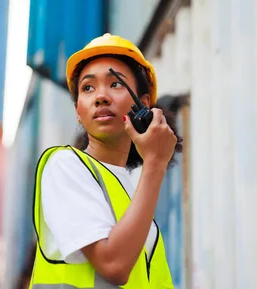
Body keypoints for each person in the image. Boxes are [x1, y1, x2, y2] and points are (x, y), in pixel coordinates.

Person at [28, 33, 183, 288]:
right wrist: (155, 163)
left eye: (115, 84)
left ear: (142, 105)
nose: (100, 96)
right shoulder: (64, 166)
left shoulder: (132, 197)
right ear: (78, 111)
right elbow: (114, 266)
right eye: (88, 88)